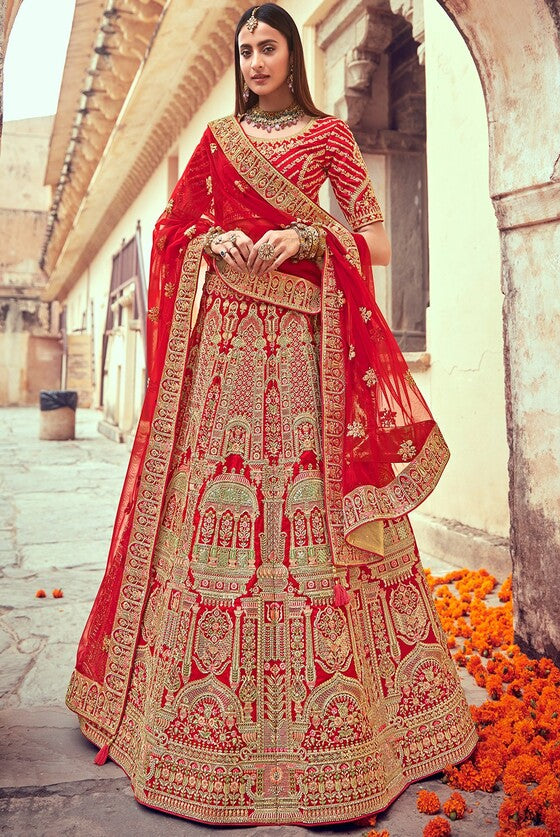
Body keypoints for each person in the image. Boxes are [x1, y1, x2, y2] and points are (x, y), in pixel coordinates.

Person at [66, 3, 478, 826]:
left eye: (268, 47)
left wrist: (307, 238)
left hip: (302, 362)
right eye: (245, 49)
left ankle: (356, 722)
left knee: (308, 519)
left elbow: (377, 238)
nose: (255, 61)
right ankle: (188, 725)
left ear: (294, 53)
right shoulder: (218, 142)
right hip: (223, 364)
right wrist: (208, 244)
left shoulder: (327, 138)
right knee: (219, 521)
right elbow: (174, 235)